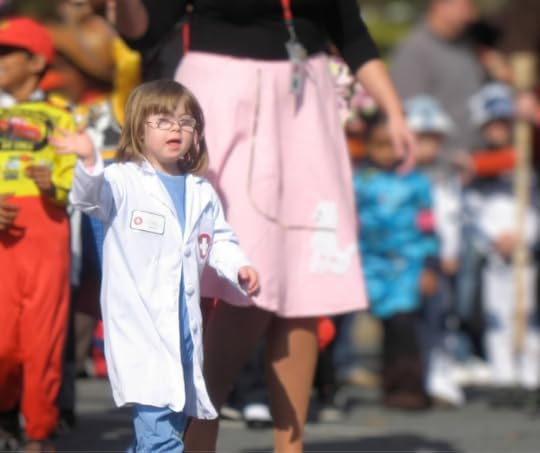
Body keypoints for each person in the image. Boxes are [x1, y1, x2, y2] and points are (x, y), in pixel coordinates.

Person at [114, 1, 415, 451]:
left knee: (305, 282)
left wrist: (394, 110)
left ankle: (289, 447)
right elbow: (141, 31)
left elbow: (349, 31)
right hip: (224, 96)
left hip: (305, 100)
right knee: (245, 276)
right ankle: (196, 437)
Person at [51, 79, 259, 452]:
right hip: (141, 330)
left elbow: (219, 241)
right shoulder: (121, 180)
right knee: (160, 434)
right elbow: (88, 197)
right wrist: (87, 160)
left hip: (184, 331)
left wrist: (240, 267)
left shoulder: (201, 191)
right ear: (138, 130)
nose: (176, 128)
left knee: (170, 427)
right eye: (162, 120)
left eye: (186, 121)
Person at [0, 17, 77, 452]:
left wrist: (56, 187)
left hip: (45, 232)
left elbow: (82, 182)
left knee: (42, 338)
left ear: (34, 61)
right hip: (2, 238)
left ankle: (41, 431)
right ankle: (7, 411)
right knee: (3, 342)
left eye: (6, 53)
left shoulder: (61, 117)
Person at [354, 110, 437, 410]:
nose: (388, 152)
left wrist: (429, 265)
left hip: (408, 265)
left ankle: (409, 387)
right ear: (367, 145)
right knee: (384, 325)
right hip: (370, 264)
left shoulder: (417, 183)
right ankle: (332, 383)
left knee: (404, 325)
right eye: (379, 144)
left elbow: (428, 226)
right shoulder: (360, 182)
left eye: (393, 144)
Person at [465, 82, 540, 407]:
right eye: (491, 125)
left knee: (527, 311)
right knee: (496, 314)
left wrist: (526, 237)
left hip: (526, 251)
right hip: (495, 253)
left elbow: (534, 205)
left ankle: (531, 375)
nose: (497, 130)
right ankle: (503, 376)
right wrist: (492, 240)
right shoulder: (476, 166)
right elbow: (470, 211)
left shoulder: (529, 164)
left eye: (503, 123)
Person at [404, 95, 466, 406]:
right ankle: (418, 376)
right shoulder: (404, 179)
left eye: (434, 140)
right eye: (420, 139)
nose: (428, 147)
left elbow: (452, 220)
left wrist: (452, 253)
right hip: (411, 260)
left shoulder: (448, 178)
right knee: (412, 320)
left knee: (442, 317)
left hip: (442, 260)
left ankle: (442, 373)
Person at [391, 0, 482, 158]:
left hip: (472, 163)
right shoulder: (415, 51)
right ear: (440, 5)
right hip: (436, 172)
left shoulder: (465, 46)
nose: (471, 16)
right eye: (465, 7)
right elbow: (407, 114)